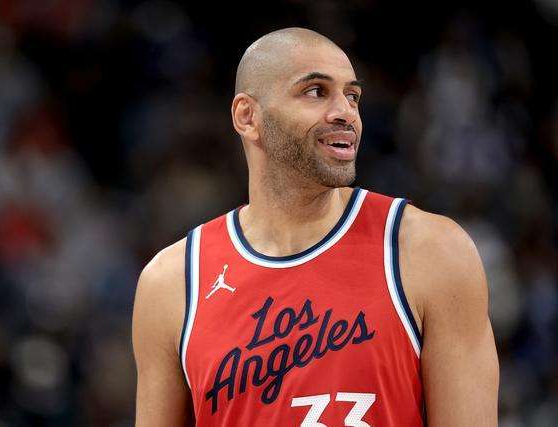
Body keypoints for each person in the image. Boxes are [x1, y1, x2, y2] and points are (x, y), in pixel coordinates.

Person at [132, 27, 499, 426]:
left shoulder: (431, 252)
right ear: (247, 116)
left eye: (352, 96)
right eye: (315, 92)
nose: (346, 112)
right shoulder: (172, 284)